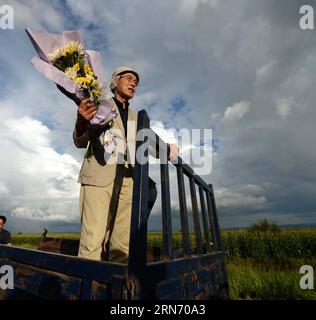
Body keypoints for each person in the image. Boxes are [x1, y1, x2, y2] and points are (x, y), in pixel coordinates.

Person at [73, 67, 179, 263]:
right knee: (91, 243)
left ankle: (116, 290)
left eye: (136, 82)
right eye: (129, 78)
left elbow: (149, 143)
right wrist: (81, 123)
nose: (133, 84)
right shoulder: (98, 103)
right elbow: (80, 141)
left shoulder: (137, 119)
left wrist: (168, 148)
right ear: (115, 82)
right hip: (99, 178)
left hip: (128, 183)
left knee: (122, 247)